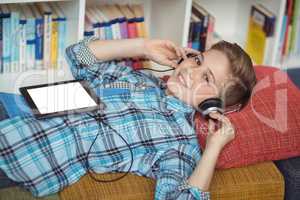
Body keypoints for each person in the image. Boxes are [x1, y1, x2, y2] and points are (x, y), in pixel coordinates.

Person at [0, 37, 256, 199]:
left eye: (207, 78)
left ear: (216, 104)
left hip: (19, 154)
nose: (191, 71)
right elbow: (78, 56)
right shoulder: (141, 79)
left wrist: (212, 149)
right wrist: (142, 47)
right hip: (13, 110)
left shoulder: (179, 140)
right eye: (197, 60)